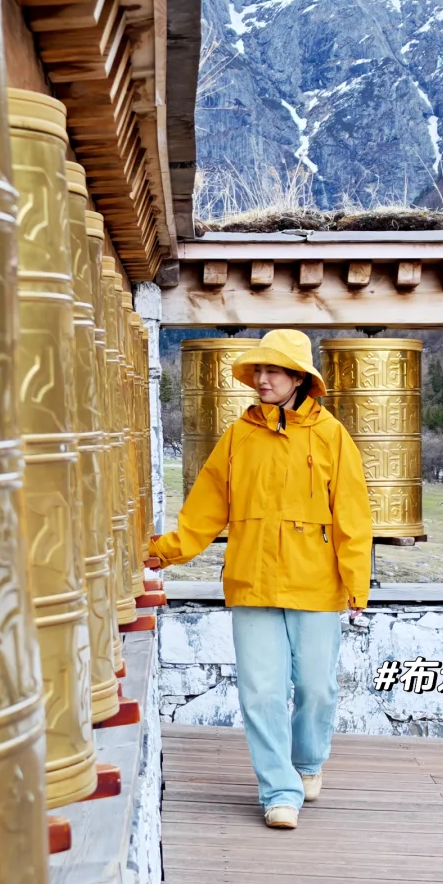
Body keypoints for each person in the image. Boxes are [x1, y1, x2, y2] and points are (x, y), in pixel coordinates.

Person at [149, 329, 371, 830]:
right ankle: (279, 789)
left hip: (316, 583)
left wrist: (356, 584)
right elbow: (206, 508)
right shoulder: (238, 436)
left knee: (316, 688)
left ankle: (308, 762)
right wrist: (166, 551)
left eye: (273, 371)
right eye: (258, 371)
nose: (262, 379)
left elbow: (353, 516)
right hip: (252, 580)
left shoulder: (332, 436)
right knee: (260, 692)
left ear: (298, 378)